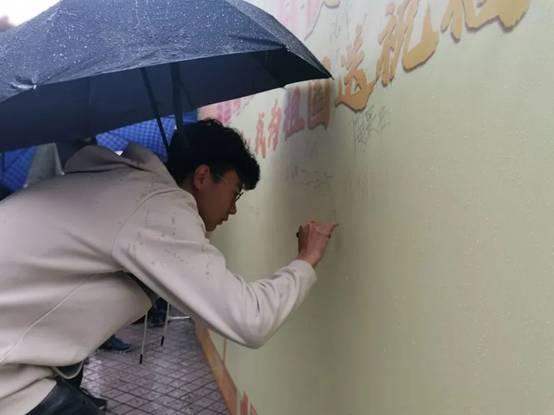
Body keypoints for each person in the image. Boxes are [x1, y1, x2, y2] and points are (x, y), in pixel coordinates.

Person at [0, 119, 337, 415]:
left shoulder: (127, 188)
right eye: (235, 193)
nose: (233, 209)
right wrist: (306, 260)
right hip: (11, 375)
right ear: (203, 176)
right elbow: (250, 319)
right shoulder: (157, 206)